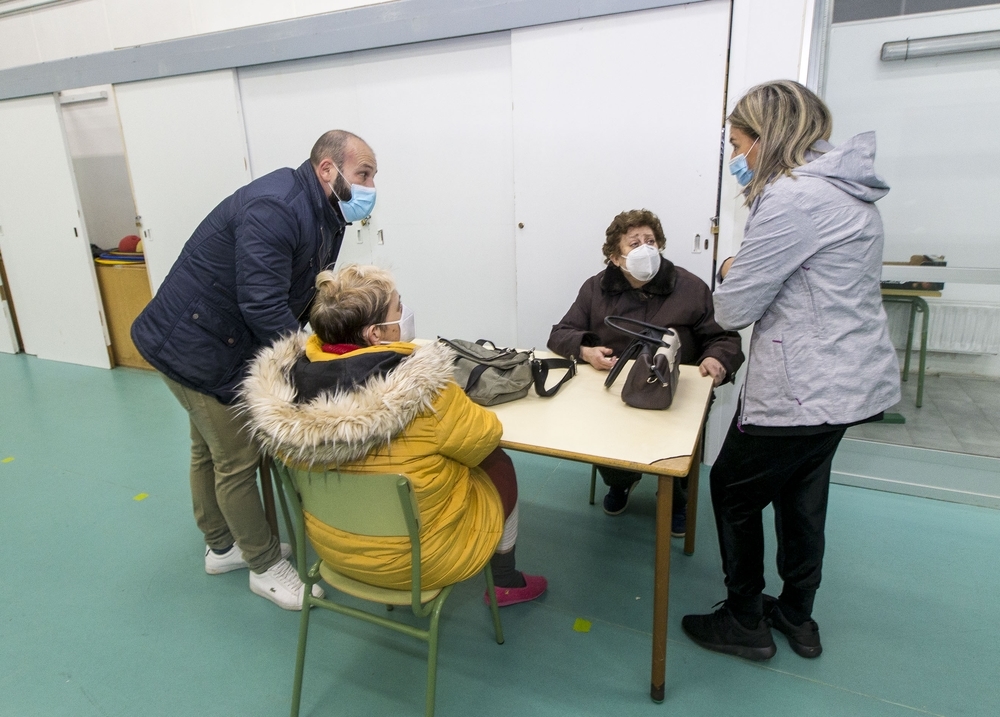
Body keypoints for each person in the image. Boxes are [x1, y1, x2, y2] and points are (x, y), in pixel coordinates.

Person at [681, 80, 900, 660]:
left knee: (731, 490)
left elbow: (732, 309)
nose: (735, 157)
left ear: (764, 138)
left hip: (803, 388)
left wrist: (729, 264)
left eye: (736, 142)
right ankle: (799, 617)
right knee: (803, 494)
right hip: (848, 384)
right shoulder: (846, 190)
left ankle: (744, 620)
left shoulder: (794, 199)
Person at [131, 130, 378, 610]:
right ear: (328, 169)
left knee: (208, 448)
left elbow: (303, 290)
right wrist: (303, 365)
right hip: (194, 343)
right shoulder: (277, 207)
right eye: (363, 173)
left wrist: (331, 335)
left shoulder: (326, 213)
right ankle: (264, 566)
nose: (370, 185)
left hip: (210, 336)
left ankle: (223, 547)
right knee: (237, 458)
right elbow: (263, 304)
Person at [241, 265, 547, 606]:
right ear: (375, 333)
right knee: (497, 463)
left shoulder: (287, 399)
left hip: (334, 553)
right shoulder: (429, 394)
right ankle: (505, 580)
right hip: (422, 562)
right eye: (398, 307)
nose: (405, 313)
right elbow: (485, 437)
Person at [548, 209, 744, 533]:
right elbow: (560, 332)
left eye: (650, 241)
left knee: (681, 447)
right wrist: (586, 350)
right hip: (617, 390)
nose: (645, 248)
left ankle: (678, 500)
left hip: (676, 389)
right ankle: (620, 481)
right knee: (601, 433)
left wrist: (717, 360)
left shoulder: (691, 287)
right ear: (615, 257)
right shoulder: (595, 289)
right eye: (634, 242)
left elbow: (723, 337)